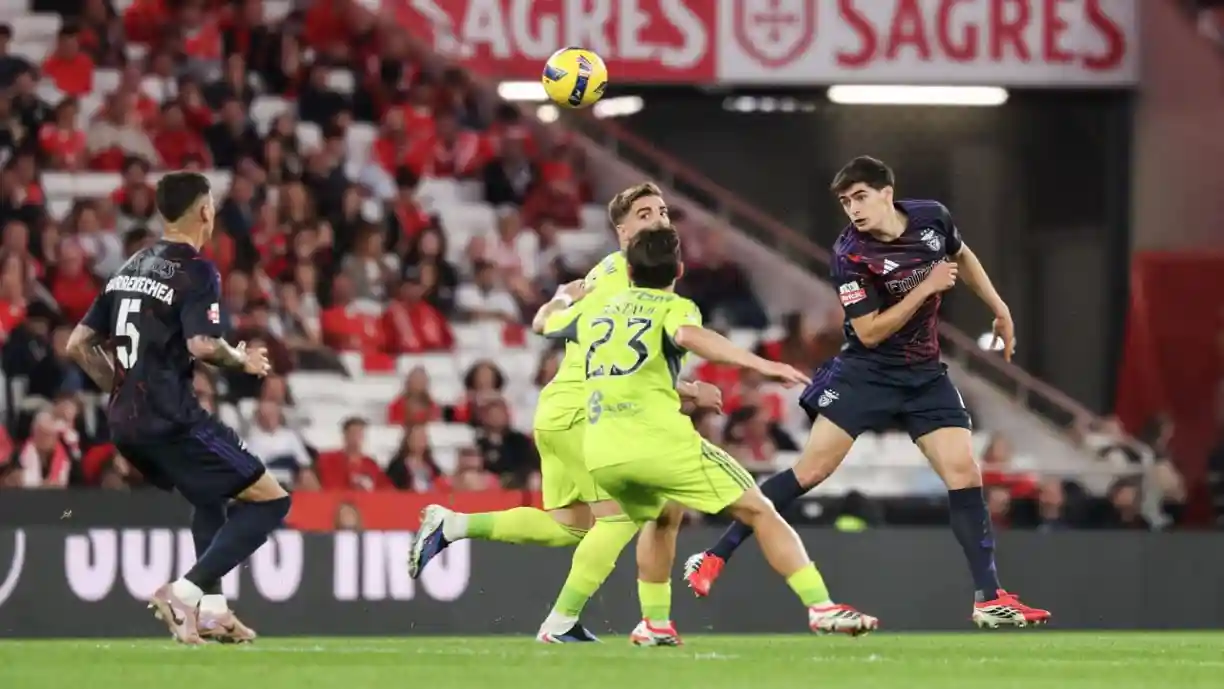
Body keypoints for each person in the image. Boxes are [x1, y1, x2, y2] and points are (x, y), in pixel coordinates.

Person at [684, 156, 1050, 629]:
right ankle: (714, 554)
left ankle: (989, 597)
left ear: (886, 192)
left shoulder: (931, 218)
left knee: (964, 472)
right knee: (811, 470)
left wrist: (998, 306)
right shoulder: (850, 255)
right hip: (866, 372)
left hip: (923, 375)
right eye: (844, 201)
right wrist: (926, 289)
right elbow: (871, 331)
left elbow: (961, 254)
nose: (853, 209)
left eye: (860, 197)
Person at [409, 182, 721, 644]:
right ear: (621, 231)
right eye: (644, 214)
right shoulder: (622, 277)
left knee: (572, 527)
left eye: (662, 212)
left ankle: (452, 525)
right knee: (626, 515)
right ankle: (565, 623)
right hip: (584, 411)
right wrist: (688, 392)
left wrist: (682, 389)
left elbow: (620, 358)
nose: (658, 220)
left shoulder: (622, 273)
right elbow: (571, 339)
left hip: (566, 409)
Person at [538, 226, 878, 637]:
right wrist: (761, 365)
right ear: (679, 269)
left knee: (663, 514)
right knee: (759, 509)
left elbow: (545, 323)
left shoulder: (595, 310)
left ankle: (655, 623)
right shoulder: (672, 306)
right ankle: (820, 607)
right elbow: (689, 336)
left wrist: (563, 296)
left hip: (603, 453)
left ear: (628, 269)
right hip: (658, 443)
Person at [65, 171, 287, 645]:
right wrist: (241, 359)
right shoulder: (198, 269)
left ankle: (213, 611)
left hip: (125, 421)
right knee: (272, 500)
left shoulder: (132, 265)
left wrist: (120, 389)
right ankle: (183, 593)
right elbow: (204, 344)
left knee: (209, 494)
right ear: (205, 211)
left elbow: (79, 345)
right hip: (170, 417)